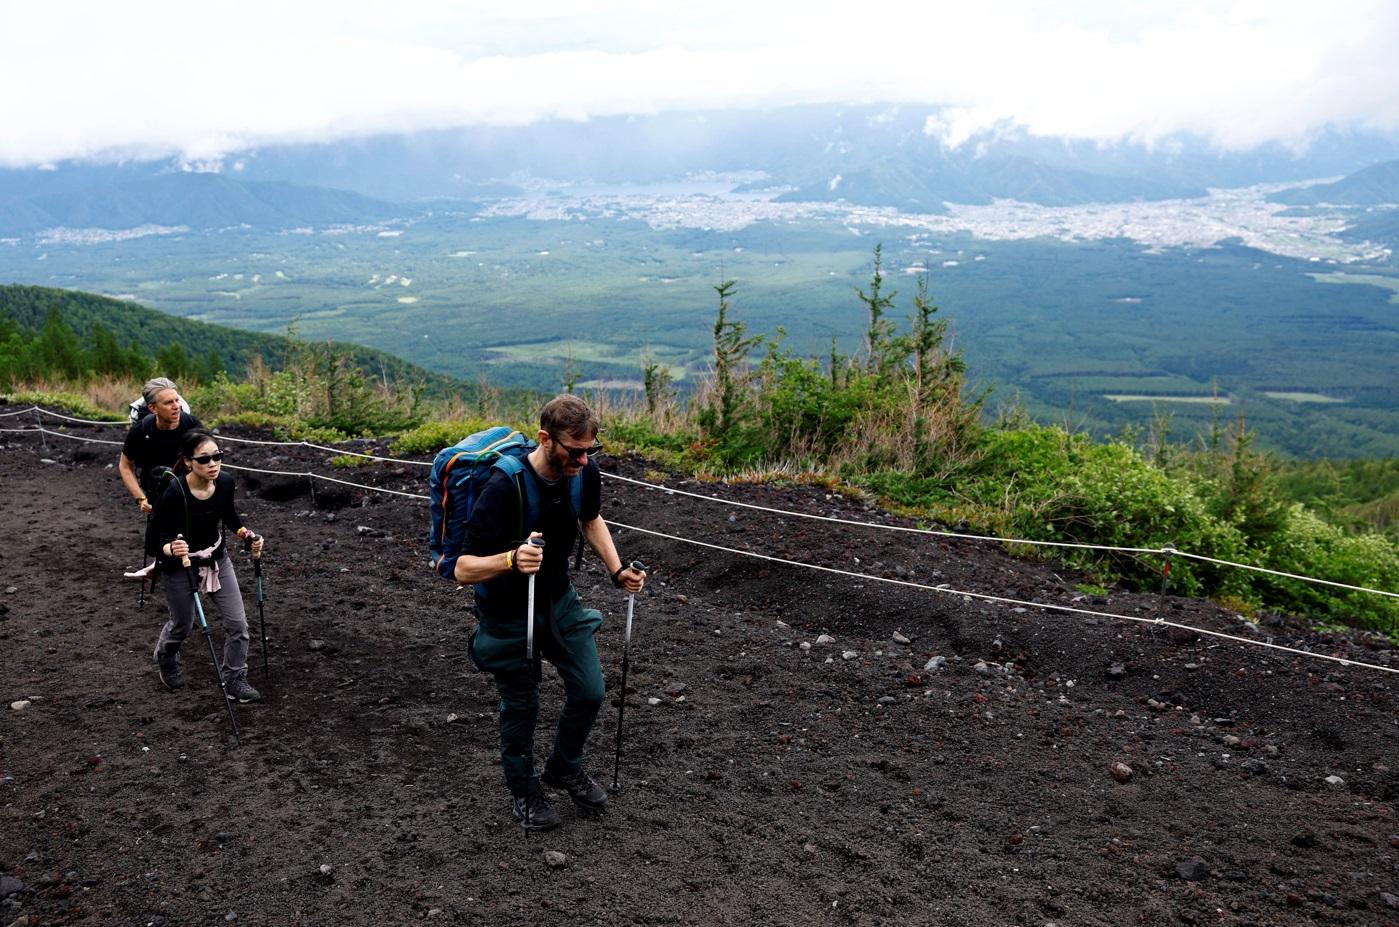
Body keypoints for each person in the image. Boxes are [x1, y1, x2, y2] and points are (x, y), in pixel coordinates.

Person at [454, 394, 646, 831]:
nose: (583, 458)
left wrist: (617, 571)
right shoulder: (505, 486)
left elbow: (591, 519)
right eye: (574, 450)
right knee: (522, 706)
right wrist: (510, 560)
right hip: (506, 613)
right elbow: (463, 570)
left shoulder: (583, 473)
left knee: (591, 689)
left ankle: (563, 766)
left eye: (590, 450)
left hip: (559, 599)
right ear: (544, 439)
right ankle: (524, 792)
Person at [152, 430, 265, 703]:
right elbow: (158, 539)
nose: (213, 464)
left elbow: (229, 516)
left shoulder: (225, 483)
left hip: (216, 558)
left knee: (238, 623)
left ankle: (235, 679)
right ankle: (166, 655)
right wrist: (172, 548)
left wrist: (246, 536)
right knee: (183, 624)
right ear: (189, 462)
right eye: (205, 459)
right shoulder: (175, 491)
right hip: (180, 565)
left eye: (218, 457)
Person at [119, 377, 204, 575]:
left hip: (190, 490)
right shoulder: (141, 431)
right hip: (155, 492)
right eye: (168, 403)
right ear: (153, 408)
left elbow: (211, 459)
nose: (176, 407)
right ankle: (172, 579)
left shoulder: (191, 425)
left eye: (177, 400)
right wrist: (140, 498)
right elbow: (125, 465)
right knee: (163, 541)